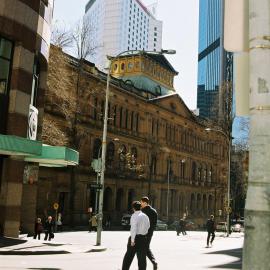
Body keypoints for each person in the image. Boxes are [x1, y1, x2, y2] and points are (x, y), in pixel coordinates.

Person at [122, 201, 150, 270]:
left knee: (128, 257)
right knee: (142, 259)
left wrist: (132, 240)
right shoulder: (145, 216)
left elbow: (133, 228)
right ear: (140, 207)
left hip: (135, 239)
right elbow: (148, 226)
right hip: (143, 238)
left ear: (133, 208)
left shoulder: (134, 216)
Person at [140, 196, 158, 270]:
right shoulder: (154, 211)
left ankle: (152, 262)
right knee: (146, 248)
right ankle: (154, 261)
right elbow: (154, 224)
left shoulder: (143, 211)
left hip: (143, 233)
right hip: (150, 233)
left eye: (141, 202)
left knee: (143, 249)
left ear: (145, 202)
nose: (140, 204)